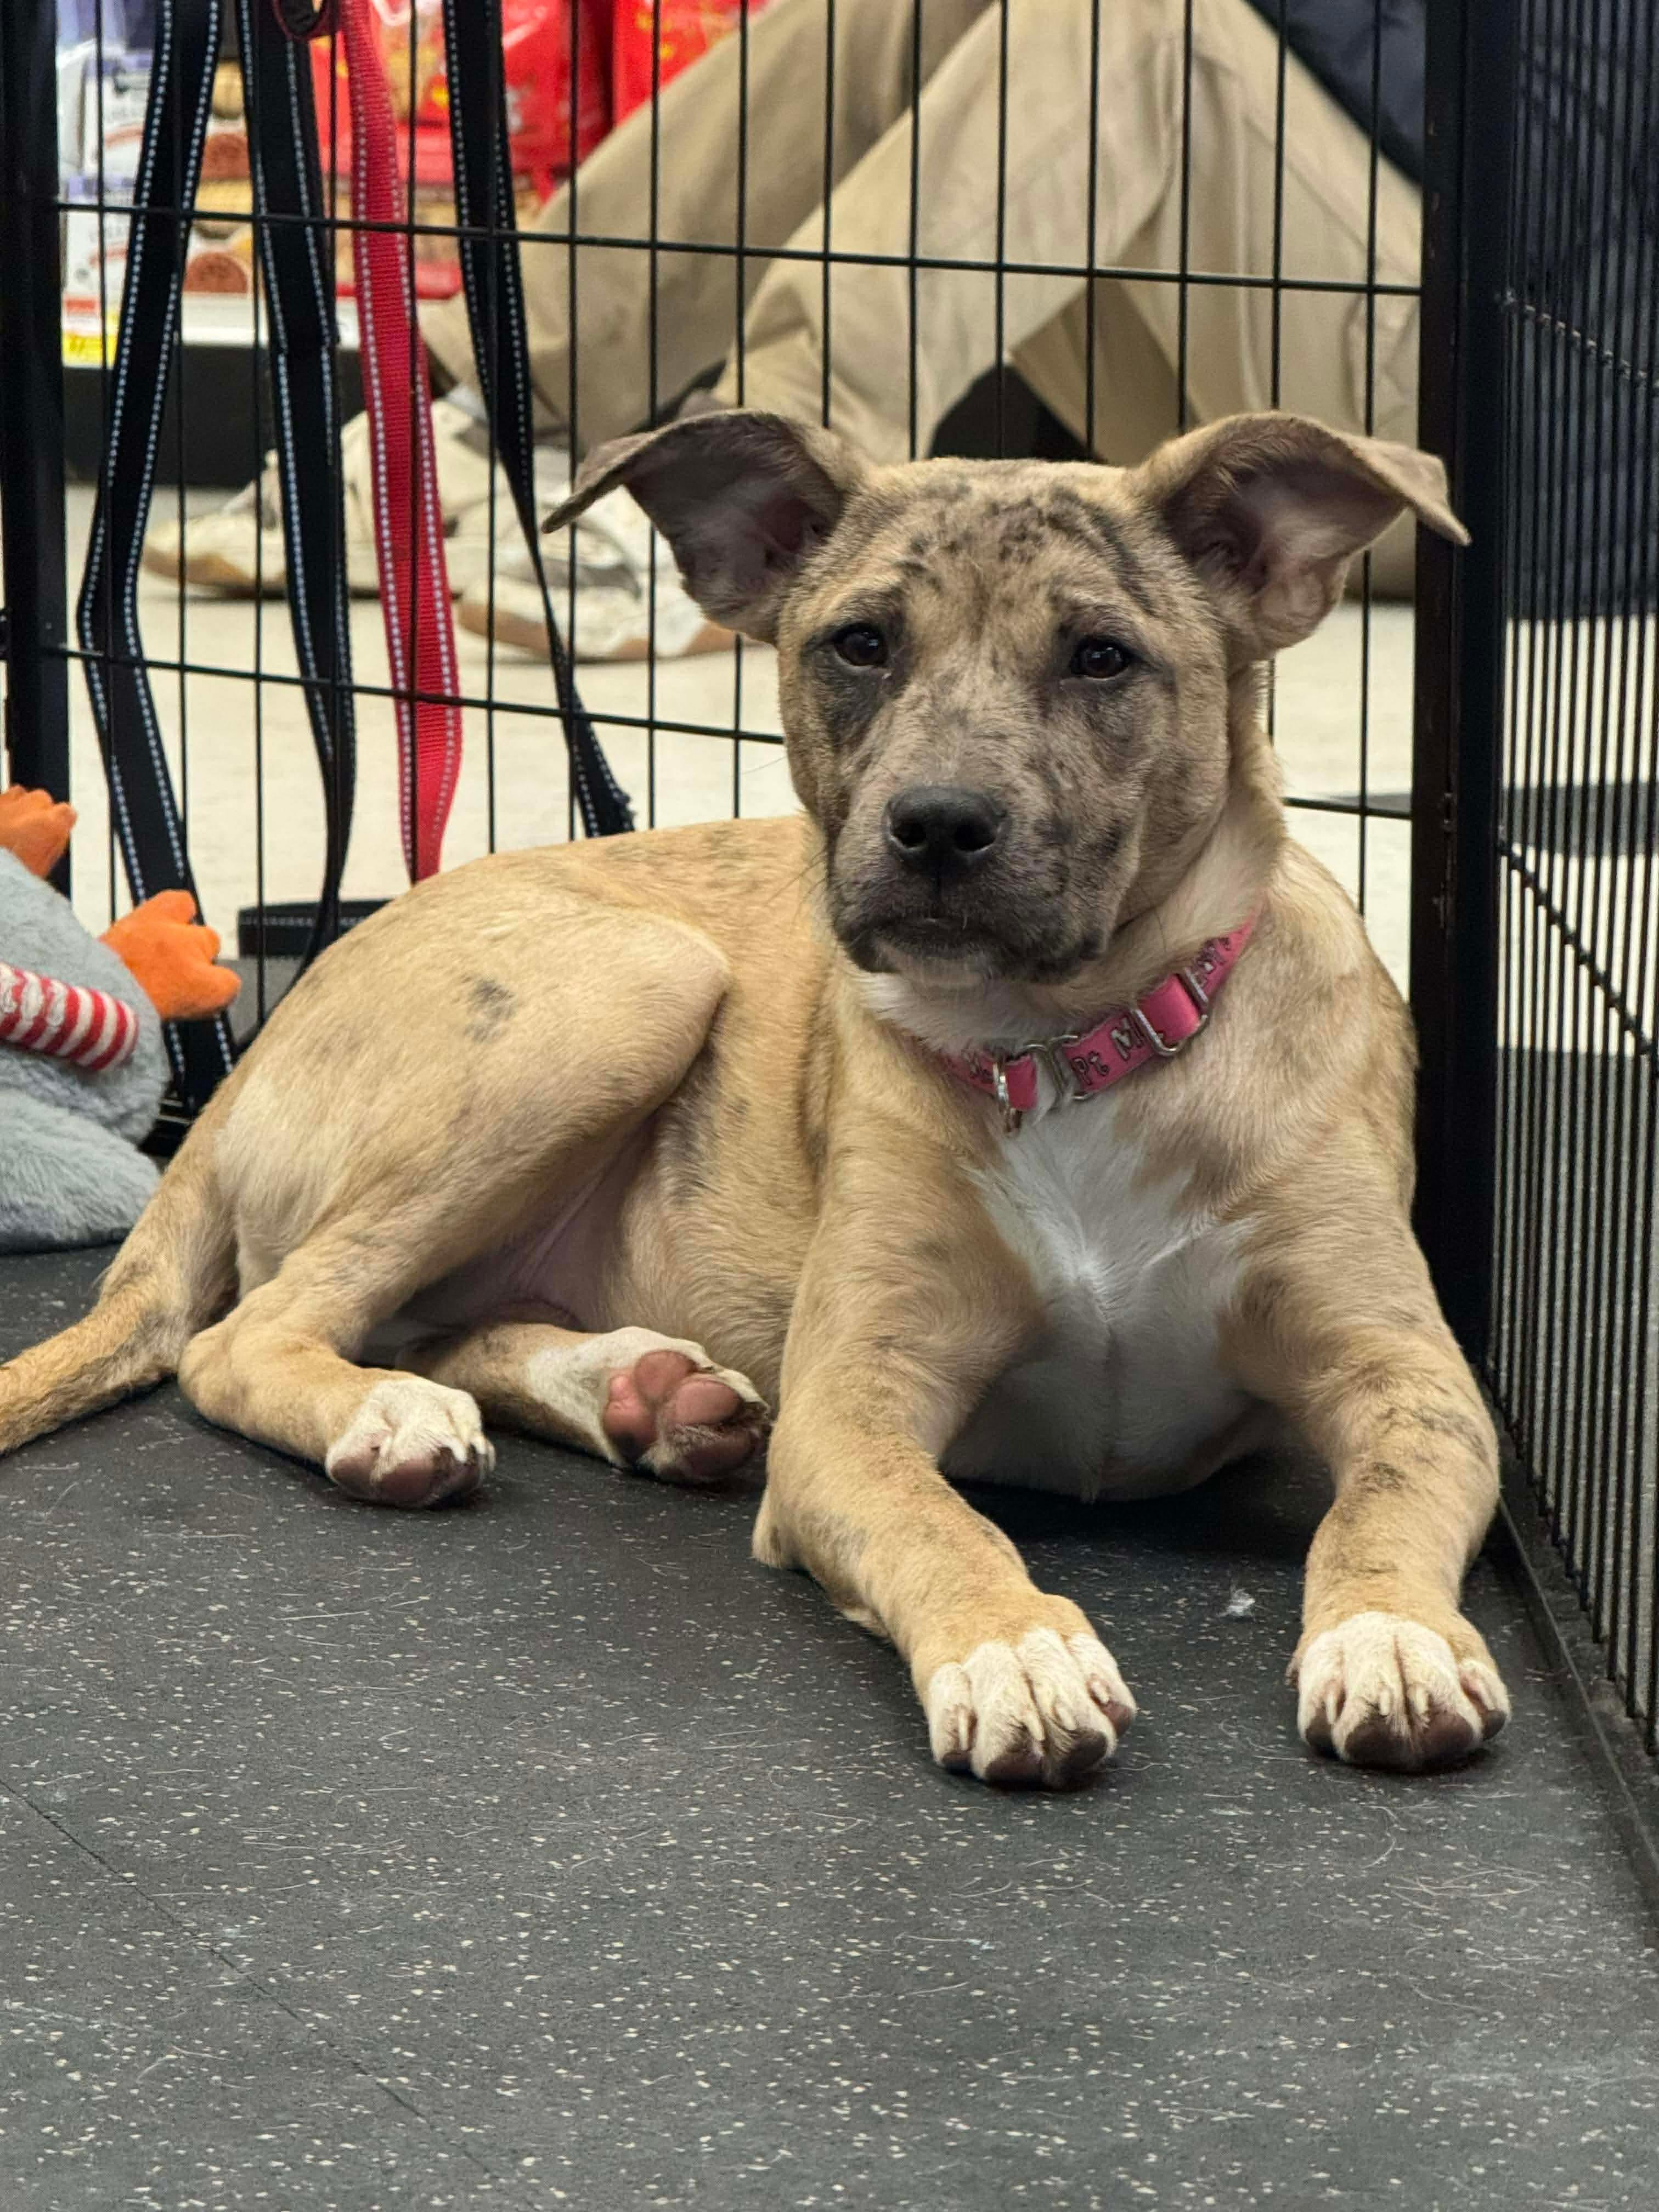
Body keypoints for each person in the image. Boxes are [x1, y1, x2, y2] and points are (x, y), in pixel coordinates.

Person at [148, 0, 1432, 657]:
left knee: (1131, 22)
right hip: (1255, 378)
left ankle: (776, 515)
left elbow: (1524, 162)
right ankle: (482, 404)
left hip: (1448, 448)